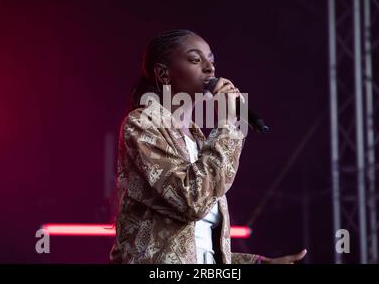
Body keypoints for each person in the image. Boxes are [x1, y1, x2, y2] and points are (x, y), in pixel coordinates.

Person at [109, 29, 307, 264]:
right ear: (163, 74)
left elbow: (197, 248)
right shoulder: (143, 124)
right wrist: (227, 123)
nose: (210, 68)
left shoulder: (200, 141)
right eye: (195, 59)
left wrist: (257, 263)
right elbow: (192, 201)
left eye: (211, 61)